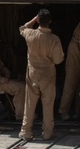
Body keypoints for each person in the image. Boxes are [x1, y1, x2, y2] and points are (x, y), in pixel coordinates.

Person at [19, 9, 64, 141]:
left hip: (32, 73)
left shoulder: (30, 34)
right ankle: (48, 132)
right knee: (48, 103)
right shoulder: (54, 39)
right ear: (50, 22)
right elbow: (58, 60)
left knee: (30, 103)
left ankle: (25, 131)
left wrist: (34, 19)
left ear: (38, 20)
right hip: (48, 75)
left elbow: (22, 27)